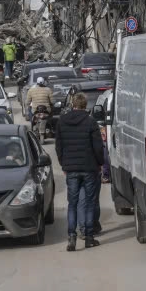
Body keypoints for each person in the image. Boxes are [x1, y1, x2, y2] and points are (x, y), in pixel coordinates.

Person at [55, 93, 105, 252]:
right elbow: (98, 147)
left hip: (71, 169)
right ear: (85, 106)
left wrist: (64, 164)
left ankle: (71, 238)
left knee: (72, 204)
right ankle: (89, 238)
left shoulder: (62, 121)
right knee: (89, 203)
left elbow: (59, 146)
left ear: (72, 105)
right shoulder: (91, 122)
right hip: (89, 168)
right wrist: (100, 164)